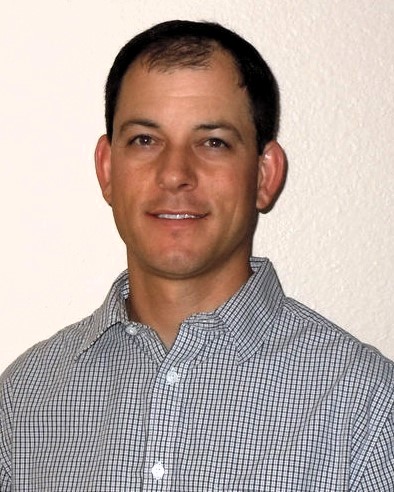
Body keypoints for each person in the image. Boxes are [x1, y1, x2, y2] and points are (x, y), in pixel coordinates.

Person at [0, 19, 393, 491]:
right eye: (145, 139)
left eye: (213, 142)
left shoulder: (366, 406)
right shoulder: (23, 400)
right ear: (107, 169)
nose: (175, 174)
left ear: (265, 175)